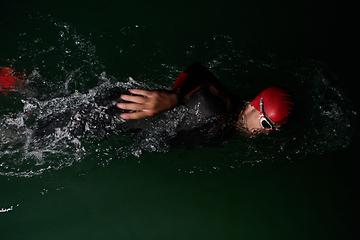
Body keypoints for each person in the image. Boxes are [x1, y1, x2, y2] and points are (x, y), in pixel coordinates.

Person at [116, 62, 293, 136]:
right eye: (266, 124)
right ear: (252, 107)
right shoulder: (215, 106)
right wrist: (176, 95)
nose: (267, 132)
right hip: (119, 119)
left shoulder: (237, 119)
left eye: (274, 129)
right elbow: (198, 70)